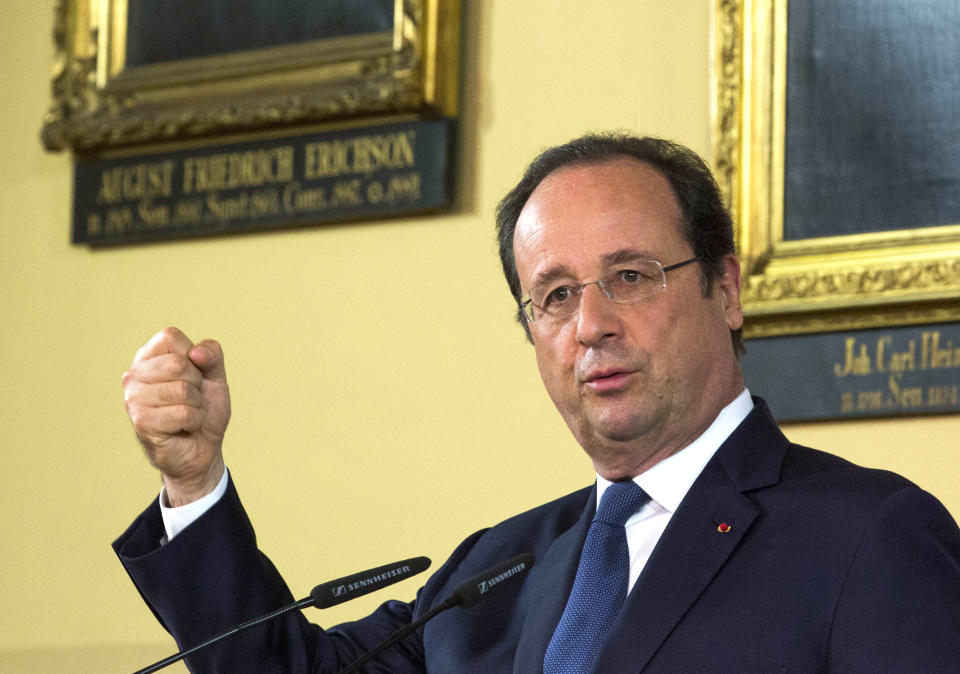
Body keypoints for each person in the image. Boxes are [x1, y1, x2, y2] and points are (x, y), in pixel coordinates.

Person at [115, 133, 960, 672]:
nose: (589, 324)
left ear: (727, 290)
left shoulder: (870, 537)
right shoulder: (496, 568)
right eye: (553, 296)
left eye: (630, 276)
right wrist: (195, 479)